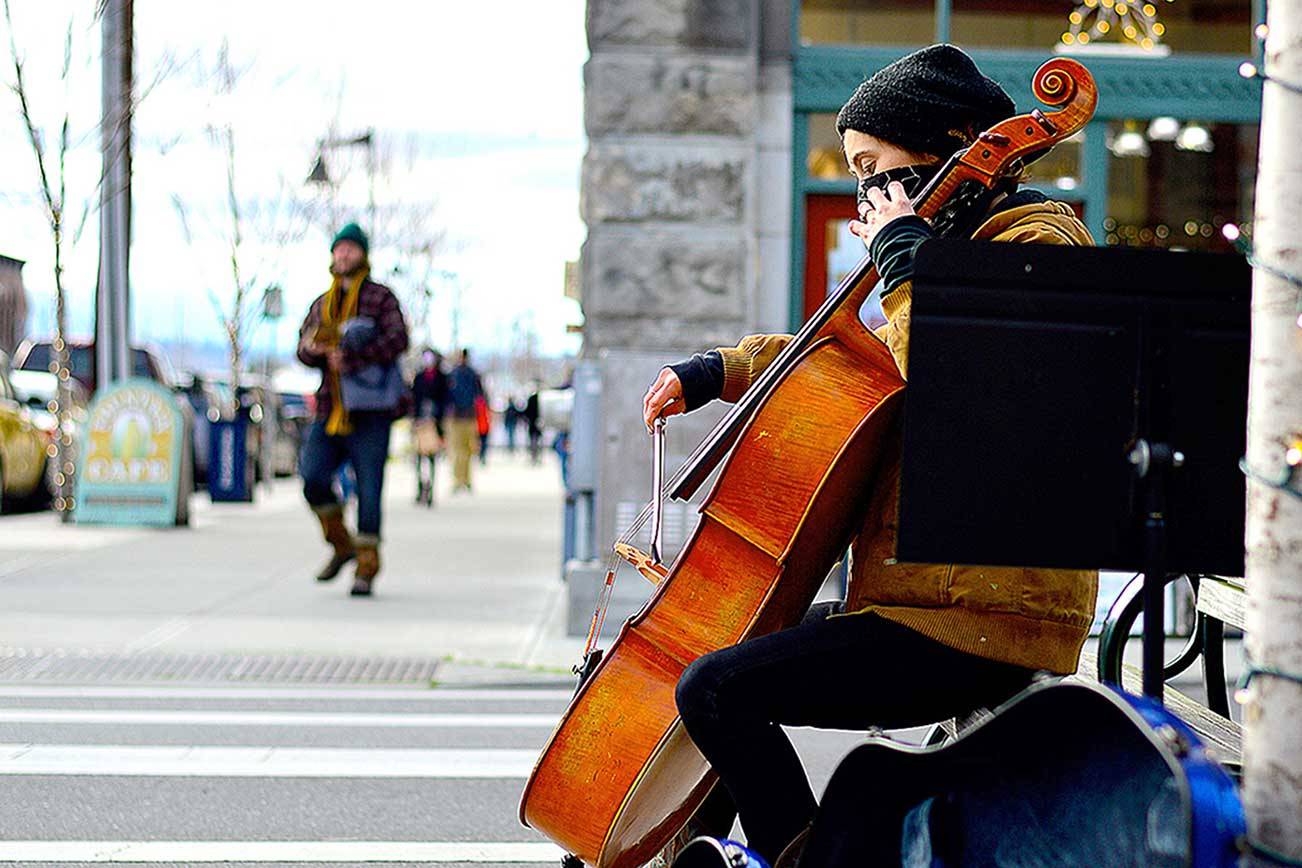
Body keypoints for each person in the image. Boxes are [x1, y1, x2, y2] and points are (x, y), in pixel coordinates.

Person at [640, 45, 1099, 866]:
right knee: (724, 657)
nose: (864, 193)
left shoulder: (1038, 243)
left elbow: (965, 381)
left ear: (949, 143)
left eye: (873, 167)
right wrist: (722, 370)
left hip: (985, 616)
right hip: (921, 599)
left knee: (718, 689)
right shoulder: (939, 245)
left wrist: (903, 255)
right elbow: (857, 358)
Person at [297, 222, 410, 597]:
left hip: (371, 410)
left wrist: (355, 356)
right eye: (338, 249)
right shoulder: (322, 304)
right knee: (312, 477)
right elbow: (301, 346)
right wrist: (313, 351)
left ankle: (366, 566)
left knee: (369, 488)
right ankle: (341, 545)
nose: (343, 255)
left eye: (350, 249)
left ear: (362, 254)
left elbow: (399, 339)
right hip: (331, 407)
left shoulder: (380, 298)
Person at [410, 348, 447, 506]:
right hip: (420, 422)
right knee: (419, 458)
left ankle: (431, 489)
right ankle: (420, 487)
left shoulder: (441, 378)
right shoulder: (419, 378)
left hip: (434, 422)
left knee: (432, 457)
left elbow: (445, 399)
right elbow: (413, 398)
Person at [445, 348, 484, 492]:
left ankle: (464, 480)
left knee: (465, 450)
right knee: (460, 451)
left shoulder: (461, 375)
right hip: (460, 417)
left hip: (465, 416)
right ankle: (460, 480)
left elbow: (480, 396)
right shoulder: (464, 374)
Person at [523, 389, 542, 465]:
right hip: (538, 424)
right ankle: (536, 456)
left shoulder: (531, 400)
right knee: (537, 441)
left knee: (533, 442)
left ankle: (534, 457)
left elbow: (526, 413)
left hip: (532, 424)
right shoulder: (540, 400)